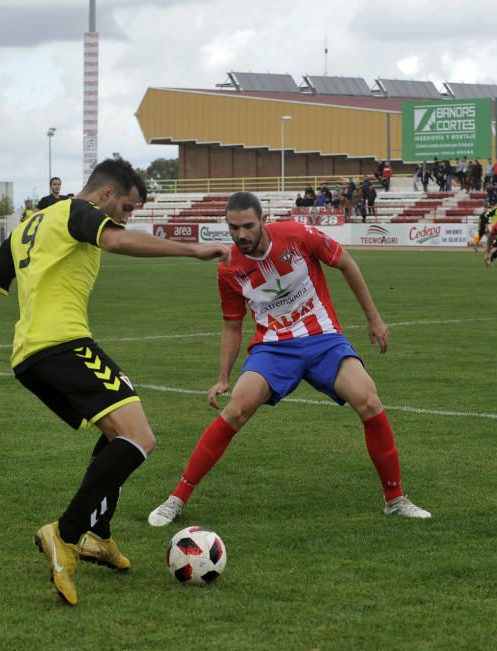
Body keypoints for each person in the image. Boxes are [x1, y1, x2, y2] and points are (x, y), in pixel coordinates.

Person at [0, 158, 229, 606]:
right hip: (63, 345)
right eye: (128, 208)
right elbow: (115, 240)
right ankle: (66, 533)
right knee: (140, 438)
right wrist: (191, 251)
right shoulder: (79, 211)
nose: (127, 219)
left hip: (29, 357)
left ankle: (99, 534)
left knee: (117, 432)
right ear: (106, 194)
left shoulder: (28, 227)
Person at [147, 191, 431, 528]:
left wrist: (373, 318)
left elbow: (346, 262)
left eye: (248, 226)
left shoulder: (297, 235)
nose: (241, 235)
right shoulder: (229, 269)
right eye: (233, 227)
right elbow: (232, 325)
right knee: (236, 409)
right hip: (273, 348)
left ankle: (395, 500)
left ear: (263, 219)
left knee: (368, 399)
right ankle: (176, 498)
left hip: (323, 339)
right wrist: (223, 376)